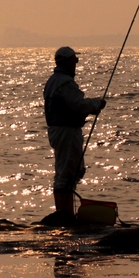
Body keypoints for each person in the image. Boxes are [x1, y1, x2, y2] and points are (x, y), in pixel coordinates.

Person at [44, 46, 106, 219]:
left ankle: (64, 212)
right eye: (75, 60)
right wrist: (97, 104)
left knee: (68, 171)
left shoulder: (53, 80)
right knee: (66, 173)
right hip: (66, 132)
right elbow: (78, 104)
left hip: (59, 131)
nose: (76, 64)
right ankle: (64, 214)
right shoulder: (64, 82)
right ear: (68, 62)